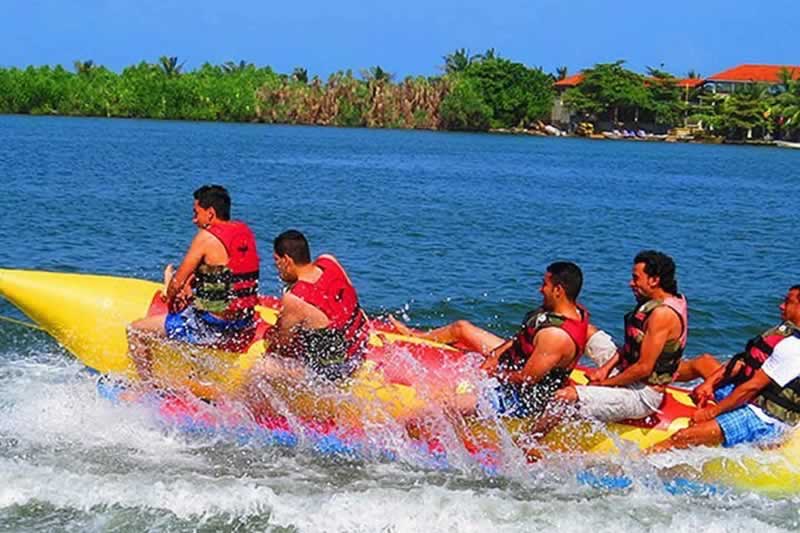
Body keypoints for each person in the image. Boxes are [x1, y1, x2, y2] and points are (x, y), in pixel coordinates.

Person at [392, 261, 591, 420]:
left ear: (558, 290)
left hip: (518, 399)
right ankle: (414, 336)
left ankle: (398, 431)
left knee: (438, 407)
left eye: (545, 284)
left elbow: (526, 379)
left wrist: (493, 373)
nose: (540, 289)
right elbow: (523, 336)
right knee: (461, 328)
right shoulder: (562, 310)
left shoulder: (556, 336)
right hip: (517, 359)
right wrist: (496, 354)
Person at [127, 185, 260, 382]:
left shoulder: (206, 238)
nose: (194, 219)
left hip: (213, 328)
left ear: (210, 213)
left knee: (135, 330)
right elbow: (224, 272)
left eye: (196, 212)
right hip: (243, 322)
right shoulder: (244, 232)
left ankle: (146, 388)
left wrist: (170, 294)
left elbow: (176, 284)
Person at [649, 285, 800, 452]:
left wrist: (710, 413)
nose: (781, 305)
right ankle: (651, 378)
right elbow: (745, 360)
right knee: (703, 362)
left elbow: (752, 387)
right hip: (752, 395)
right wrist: (710, 383)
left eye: (788, 302)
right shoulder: (784, 332)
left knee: (683, 438)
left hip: (766, 418)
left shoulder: (794, 348)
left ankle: (633, 464)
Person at [555, 250, 688, 422]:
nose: (631, 283)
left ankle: (526, 445)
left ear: (654, 280)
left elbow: (643, 368)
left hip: (642, 395)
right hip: (628, 371)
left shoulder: (663, 315)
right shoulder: (653, 304)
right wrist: (605, 370)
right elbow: (631, 346)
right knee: (584, 331)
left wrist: (603, 385)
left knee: (566, 397)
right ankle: (547, 371)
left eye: (636, 278)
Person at [257, 229, 371, 382]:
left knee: (263, 367)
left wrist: (272, 333)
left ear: (286, 261)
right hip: (358, 351)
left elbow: (282, 345)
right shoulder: (329, 261)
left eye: (277, 261)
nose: (277, 268)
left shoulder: (295, 299)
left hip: (332, 373)